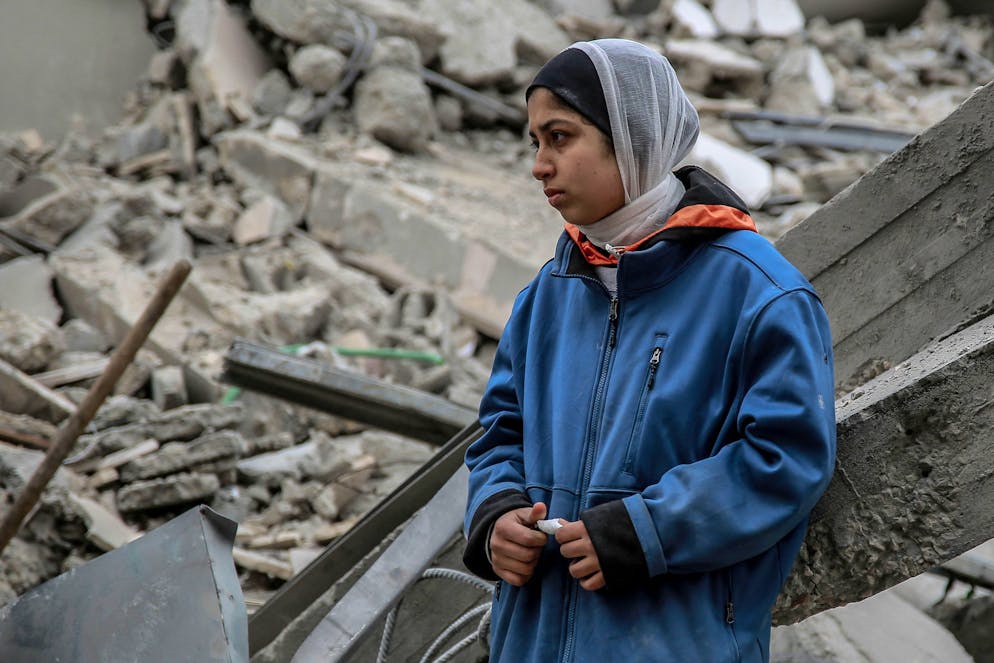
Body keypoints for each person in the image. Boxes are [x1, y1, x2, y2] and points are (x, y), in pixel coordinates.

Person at [461, 38, 836, 662]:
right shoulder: (547, 296)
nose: (539, 165)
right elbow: (501, 432)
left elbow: (786, 457)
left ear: (630, 136)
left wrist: (646, 531)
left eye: (560, 137)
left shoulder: (759, 294)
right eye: (535, 142)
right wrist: (497, 514)